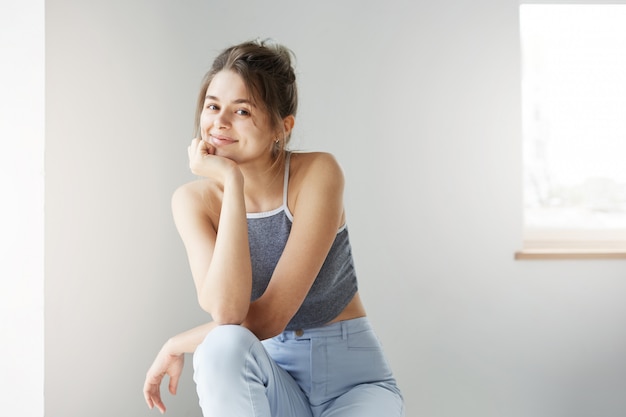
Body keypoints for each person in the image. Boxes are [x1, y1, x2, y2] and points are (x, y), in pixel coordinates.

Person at [143, 39, 404, 417]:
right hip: (271, 379)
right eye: (213, 106)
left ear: (283, 127)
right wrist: (232, 184)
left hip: (353, 385)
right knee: (221, 346)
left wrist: (177, 343)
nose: (219, 122)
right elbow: (227, 313)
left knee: (219, 340)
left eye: (242, 111)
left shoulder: (317, 174)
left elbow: (268, 318)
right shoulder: (193, 201)